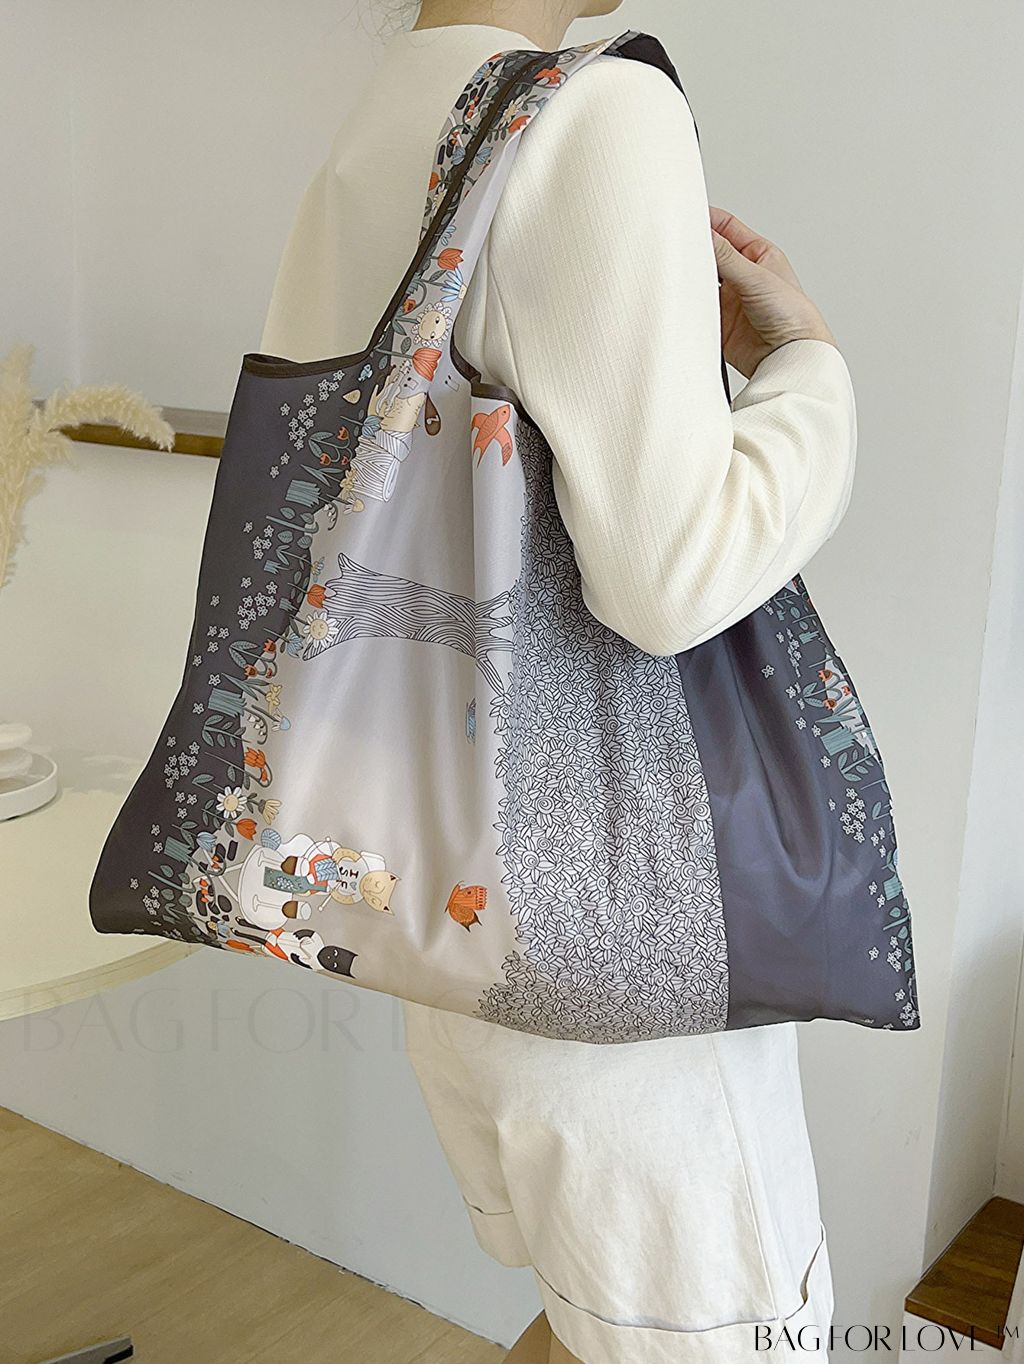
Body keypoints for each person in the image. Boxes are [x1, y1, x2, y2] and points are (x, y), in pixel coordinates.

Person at [259, 0, 857, 1359]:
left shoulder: (382, 122)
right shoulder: (597, 108)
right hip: (624, 942)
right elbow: (672, 580)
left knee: (588, 1327)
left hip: (448, 917)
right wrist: (808, 370)